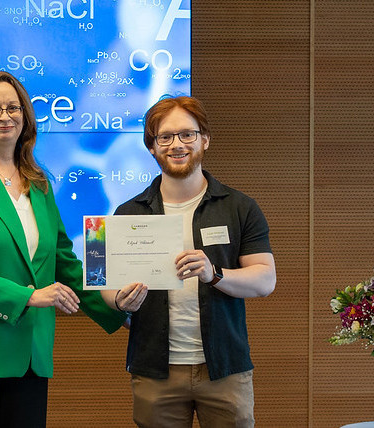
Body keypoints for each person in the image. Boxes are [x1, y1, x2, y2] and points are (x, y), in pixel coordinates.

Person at [0, 71, 127, 428]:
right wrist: (29, 296)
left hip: (29, 357)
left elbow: (64, 262)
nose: (5, 116)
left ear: (26, 116)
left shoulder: (39, 182)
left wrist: (117, 305)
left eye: (13, 107)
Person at [101, 96, 276, 428]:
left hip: (224, 367)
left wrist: (215, 274)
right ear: (151, 147)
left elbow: (265, 280)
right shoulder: (128, 212)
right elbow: (106, 287)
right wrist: (118, 300)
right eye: (164, 137)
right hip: (155, 369)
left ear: (204, 139)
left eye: (187, 134)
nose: (176, 144)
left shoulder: (239, 207)